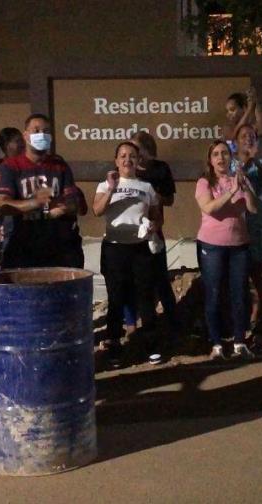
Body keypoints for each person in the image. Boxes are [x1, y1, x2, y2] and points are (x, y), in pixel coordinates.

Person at [93, 142, 161, 363]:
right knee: (116, 297)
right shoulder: (105, 185)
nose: (127, 160)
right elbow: (97, 210)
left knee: (144, 296)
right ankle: (113, 343)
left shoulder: (147, 187)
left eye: (132, 156)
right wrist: (112, 188)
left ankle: (150, 343)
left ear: (138, 160)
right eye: (122, 156)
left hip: (140, 249)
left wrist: (153, 225)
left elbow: (157, 217)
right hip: (114, 248)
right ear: (116, 161)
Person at [0, 113, 82, 269]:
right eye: (36, 130)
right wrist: (36, 202)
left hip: (57, 246)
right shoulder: (9, 167)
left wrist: (64, 207)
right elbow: (2, 204)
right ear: (25, 135)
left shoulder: (60, 166)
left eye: (46, 131)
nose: (42, 135)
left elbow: (74, 202)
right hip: (20, 246)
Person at [195, 140, 258, 360]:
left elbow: (252, 208)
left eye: (224, 153)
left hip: (239, 245)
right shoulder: (204, 182)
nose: (221, 158)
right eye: (216, 154)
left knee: (239, 294)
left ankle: (240, 342)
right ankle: (217, 344)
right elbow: (209, 208)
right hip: (212, 245)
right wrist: (230, 192)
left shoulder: (238, 180)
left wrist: (244, 186)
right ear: (210, 160)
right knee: (213, 294)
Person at [122, 131, 178, 335]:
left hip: (153, 231)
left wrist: (151, 195)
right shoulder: (127, 170)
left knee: (160, 278)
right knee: (129, 281)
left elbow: (170, 200)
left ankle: (173, 323)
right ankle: (131, 325)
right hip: (128, 233)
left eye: (137, 150)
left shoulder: (161, 169)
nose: (133, 156)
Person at [232, 123, 262, 329]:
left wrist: (255, 162)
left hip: (257, 222)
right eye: (243, 136)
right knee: (238, 271)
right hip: (235, 222)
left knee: (257, 269)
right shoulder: (229, 163)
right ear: (236, 142)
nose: (248, 139)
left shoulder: (261, 164)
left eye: (252, 136)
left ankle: (257, 315)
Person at [0, 127, 24, 266]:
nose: (22, 144)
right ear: (7, 146)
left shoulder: (26, 163)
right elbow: (3, 200)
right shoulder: (1, 167)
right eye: (17, 141)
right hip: (10, 221)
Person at [223, 86, 262, 152]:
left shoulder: (251, 127)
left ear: (243, 109)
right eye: (227, 111)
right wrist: (249, 109)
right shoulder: (227, 128)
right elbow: (235, 135)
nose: (228, 114)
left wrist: (255, 103)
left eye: (232, 110)